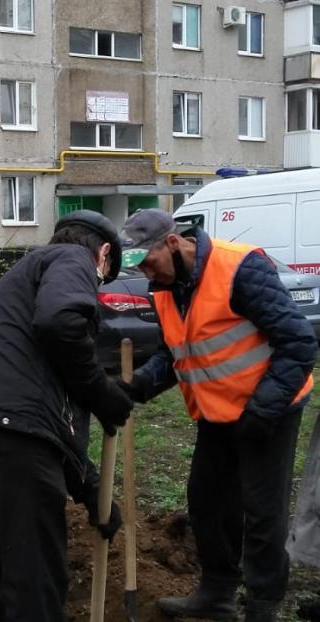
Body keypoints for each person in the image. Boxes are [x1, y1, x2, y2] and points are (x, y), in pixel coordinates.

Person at [117, 208, 316, 622]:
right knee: (207, 503)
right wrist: (139, 384)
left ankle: (262, 605)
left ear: (173, 243)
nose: (150, 276)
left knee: (262, 510)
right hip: (216, 412)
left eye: (149, 263)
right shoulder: (166, 288)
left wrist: (263, 409)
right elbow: (177, 351)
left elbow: (298, 341)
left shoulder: (241, 268)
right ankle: (218, 592)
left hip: (269, 410)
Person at [0, 210, 134, 620]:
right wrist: (103, 392)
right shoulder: (71, 260)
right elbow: (60, 322)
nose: (97, 286)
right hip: (11, 426)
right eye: (104, 276)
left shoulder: (32, 274)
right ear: (102, 254)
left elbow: (54, 416)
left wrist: (91, 491)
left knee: (19, 567)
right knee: (35, 579)